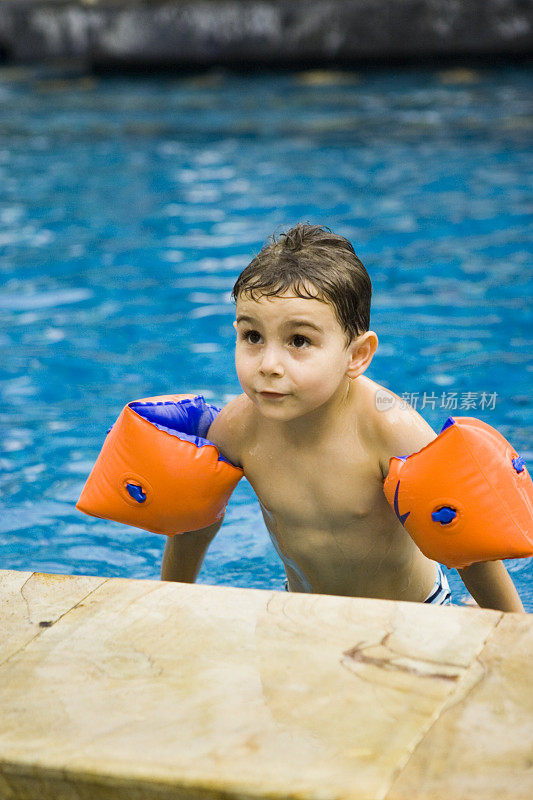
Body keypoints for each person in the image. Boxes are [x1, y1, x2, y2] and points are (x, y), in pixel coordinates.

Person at [161, 223, 524, 612]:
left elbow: (464, 540)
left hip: (412, 612)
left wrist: (514, 629)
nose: (268, 365)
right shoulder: (237, 429)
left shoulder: (389, 429)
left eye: (299, 340)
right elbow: (194, 525)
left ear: (357, 355)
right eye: (252, 336)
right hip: (304, 610)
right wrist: (168, 603)